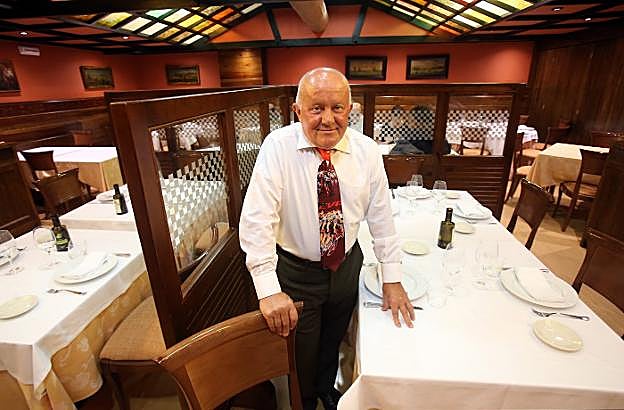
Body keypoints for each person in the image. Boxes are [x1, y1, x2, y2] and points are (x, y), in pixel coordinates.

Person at [239, 67, 414, 410]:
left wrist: (392, 278)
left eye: (337, 108)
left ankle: (326, 390)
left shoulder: (367, 151)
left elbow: (381, 218)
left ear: (351, 110)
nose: (328, 119)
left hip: (346, 266)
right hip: (297, 272)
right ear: (297, 110)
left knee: (334, 339)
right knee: (302, 352)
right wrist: (268, 288)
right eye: (316, 108)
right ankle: (304, 401)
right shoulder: (277, 147)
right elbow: (257, 219)